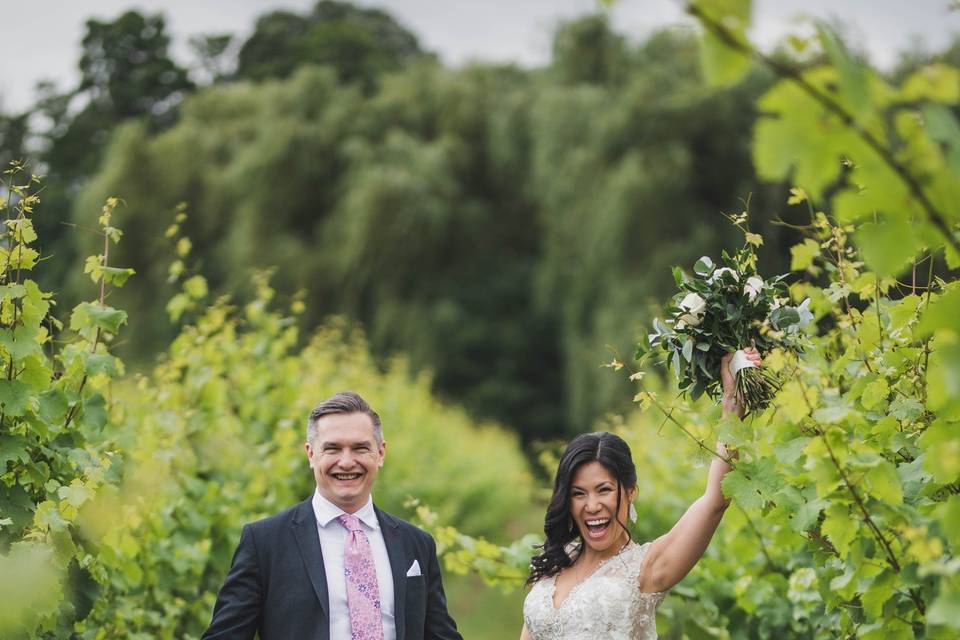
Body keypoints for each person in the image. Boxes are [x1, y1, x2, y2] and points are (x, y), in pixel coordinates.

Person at [520, 349, 761, 640]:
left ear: (630, 490)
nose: (592, 506)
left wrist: (732, 411)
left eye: (604, 490)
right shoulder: (555, 560)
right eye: (578, 493)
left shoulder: (646, 567)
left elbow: (715, 501)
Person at [203, 391, 463, 640]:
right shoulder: (264, 543)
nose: (347, 462)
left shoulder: (416, 544)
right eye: (333, 449)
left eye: (360, 448)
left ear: (380, 453)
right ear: (311, 454)